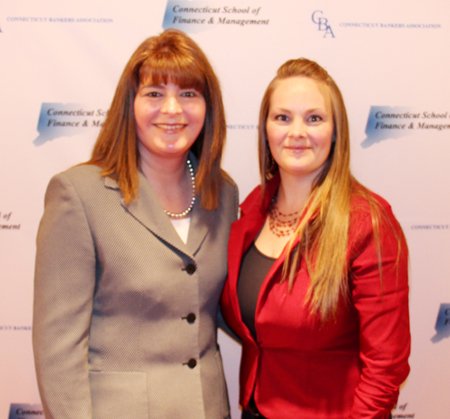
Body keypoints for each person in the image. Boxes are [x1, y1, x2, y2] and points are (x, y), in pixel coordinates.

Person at [32, 28, 238, 419]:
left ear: (209, 107)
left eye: (189, 94)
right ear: (131, 104)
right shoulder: (78, 195)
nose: (173, 109)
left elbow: (225, 307)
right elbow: (58, 350)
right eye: (155, 93)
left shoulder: (223, 194)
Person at [221, 58, 410, 418]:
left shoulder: (367, 222)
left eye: (314, 118)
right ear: (265, 130)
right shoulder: (252, 208)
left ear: (336, 131)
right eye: (282, 117)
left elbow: (386, 366)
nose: (297, 132)